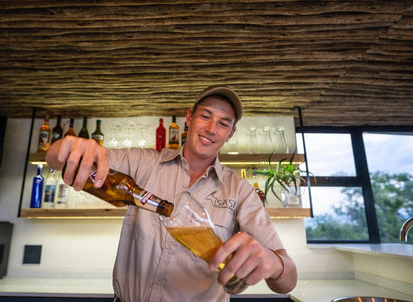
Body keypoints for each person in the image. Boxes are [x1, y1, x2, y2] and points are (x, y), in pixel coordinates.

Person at [45, 85, 297, 302]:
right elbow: (55, 160)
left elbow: (287, 282)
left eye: (223, 124)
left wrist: (273, 262)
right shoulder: (143, 163)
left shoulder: (240, 190)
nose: (211, 128)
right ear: (189, 117)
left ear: (230, 134)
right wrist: (68, 147)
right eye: (205, 116)